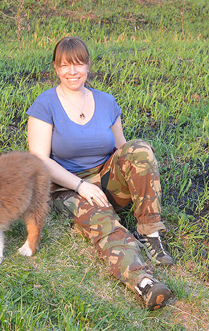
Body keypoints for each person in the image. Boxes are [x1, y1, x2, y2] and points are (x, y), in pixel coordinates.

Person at [27, 37, 175, 310]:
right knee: (104, 221)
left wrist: (137, 177)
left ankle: (150, 232)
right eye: (65, 65)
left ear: (88, 65)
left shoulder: (106, 102)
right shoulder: (45, 104)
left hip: (105, 178)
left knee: (139, 149)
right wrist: (81, 186)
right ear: (56, 68)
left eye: (78, 64)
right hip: (66, 186)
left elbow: (122, 148)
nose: (73, 71)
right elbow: (39, 160)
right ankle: (144, 283)